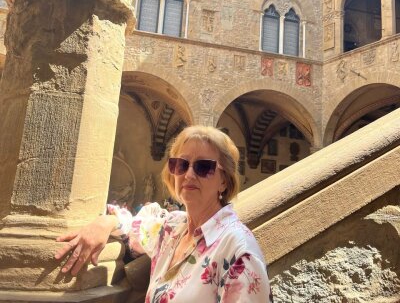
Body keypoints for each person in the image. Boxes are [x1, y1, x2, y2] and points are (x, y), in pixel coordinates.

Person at [55, 125, 273, 302]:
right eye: (181, 165)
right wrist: (106, 222)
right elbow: (133, 226)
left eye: (203, 167)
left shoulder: (239, 252)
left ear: (224, 181)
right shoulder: (172, 228)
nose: (189, 174)